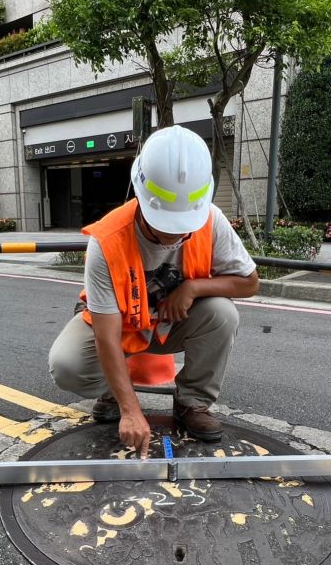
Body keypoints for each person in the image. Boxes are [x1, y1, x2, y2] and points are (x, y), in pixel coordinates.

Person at [48, 125, 259, 457]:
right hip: (119, 329)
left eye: (183, 229)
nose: (175, 238)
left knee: (222, 313)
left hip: (171, 323)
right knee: (66, 364)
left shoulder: (209, 219)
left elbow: (249, 281)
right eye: (165, 228)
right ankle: (114, 393)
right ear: (143, 199)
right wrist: (131, 409)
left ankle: (191, 403)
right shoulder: (107, 241)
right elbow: (106, 336)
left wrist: (193, 287)